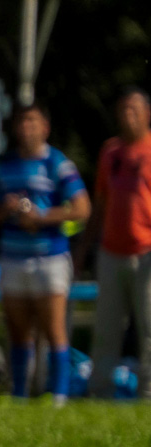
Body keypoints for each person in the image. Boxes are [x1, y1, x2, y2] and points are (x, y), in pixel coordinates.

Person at [0, 104, 90, 403]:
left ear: (45, 127)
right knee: (18, 329)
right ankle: (19, 394)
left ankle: (57, 396)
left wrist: (42, 217)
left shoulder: (58, 164)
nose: (26, 128)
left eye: (32, 122)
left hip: (50, 258)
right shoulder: (5, 166)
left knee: (53, 328)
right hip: (13, 257)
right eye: (21, 122)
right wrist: (4, 208)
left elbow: (82, 209)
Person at [89, 87, 151, 397]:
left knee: (149, 327)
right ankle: (99, 390)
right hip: (111, 251)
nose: (128, 115)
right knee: (106, 329)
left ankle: (148, 393)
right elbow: (100, 203)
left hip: (146, 252)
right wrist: (84, 247)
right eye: (124, 109)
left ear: (147, 114)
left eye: (135, 110)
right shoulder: (109, 152)